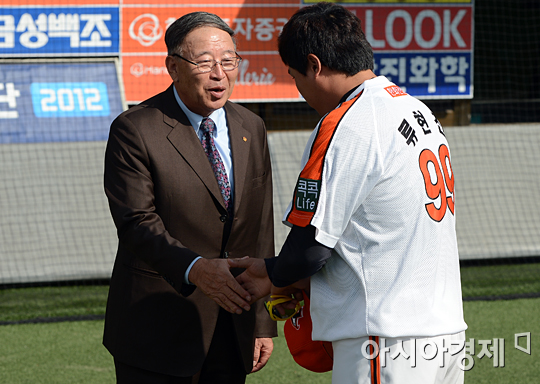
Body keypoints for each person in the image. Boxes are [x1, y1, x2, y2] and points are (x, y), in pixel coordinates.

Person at [230, 3, 468, 384]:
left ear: (314, 65)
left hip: (386, 339)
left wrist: (275, 273)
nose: (300, 89)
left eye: (295, 77)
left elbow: (310, 249)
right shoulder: (415, 109)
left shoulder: (347, 123)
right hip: (444, 333)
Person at [103, 11, 276, 384]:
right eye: (204, 62)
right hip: (157, 327)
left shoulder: (252, 126)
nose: (219, 73)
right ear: (173, 67)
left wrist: (262, 320)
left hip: (234, 324)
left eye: (228, 61)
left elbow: (260, 227)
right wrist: (195, 268)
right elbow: (136, 223)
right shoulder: (135, 129)